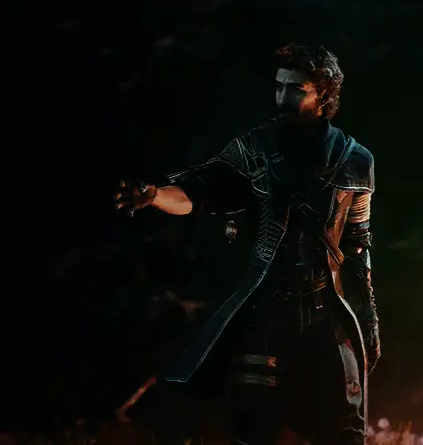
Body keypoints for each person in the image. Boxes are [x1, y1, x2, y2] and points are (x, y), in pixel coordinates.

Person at [114, 43, 380, 445]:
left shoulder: (355, 159)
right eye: (279, 86)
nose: (282, 97)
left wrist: (369, 320)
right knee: (253, 427)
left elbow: (358, 245)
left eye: (296, 89)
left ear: (324, 94)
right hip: (266, 310)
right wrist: (153, 195)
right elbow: (197, 192)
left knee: (342, 430)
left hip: (326, 312)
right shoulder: (255, 149)